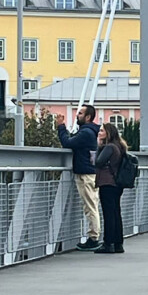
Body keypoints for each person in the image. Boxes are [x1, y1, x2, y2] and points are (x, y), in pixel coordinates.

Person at [57, 105, 102, 251]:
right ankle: (93, 235)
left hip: (86, 173)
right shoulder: (91, 132)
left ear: (88, 117)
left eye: (80, 113)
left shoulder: (86, 133)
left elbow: (68, 143)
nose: (77, 116)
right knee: (91, 205)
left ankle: (93, 237)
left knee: (90, 206)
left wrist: (61, 127)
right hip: (90, 171)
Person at [94, 123, 126, 254]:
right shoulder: (119, 146)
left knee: (108, 214)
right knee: (115, 212)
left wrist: (99, 146)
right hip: (117, 184)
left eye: (102, 131)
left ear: (108, 133)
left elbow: (98, 162)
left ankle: (108, 243)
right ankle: (118, 243)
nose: (99, 133)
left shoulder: (109, 147)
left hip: (107, 183)